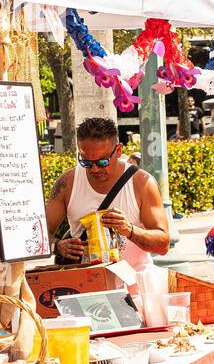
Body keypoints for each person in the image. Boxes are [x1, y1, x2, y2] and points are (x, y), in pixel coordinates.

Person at [45, 116, 169, 271]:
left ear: (118, 150)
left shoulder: (142, 183)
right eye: (86, 162)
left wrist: (129, 230)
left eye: (102, 162)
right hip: (86, 285)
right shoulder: (67, 183)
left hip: (134, 287)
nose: (94, 169)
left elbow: (163, 244)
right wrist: (57, 245)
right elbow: (40, 234)